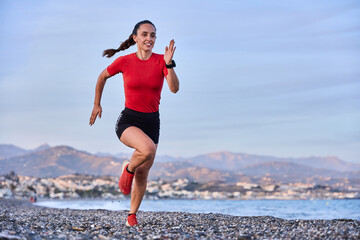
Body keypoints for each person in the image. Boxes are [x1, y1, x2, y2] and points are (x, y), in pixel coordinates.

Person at [89, 20, 179, 227]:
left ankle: (131, 215)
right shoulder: (125, 61)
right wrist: (96, 104)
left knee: (144, 172)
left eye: (153, 35)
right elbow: (102, 76)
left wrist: (168, 64)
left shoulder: (161, 61)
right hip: (129, 120)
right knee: (146, 150)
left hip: (152, 122)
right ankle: (127, 169)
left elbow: (174, 88)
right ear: (135, 38)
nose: (149, 39)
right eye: (145, 34)